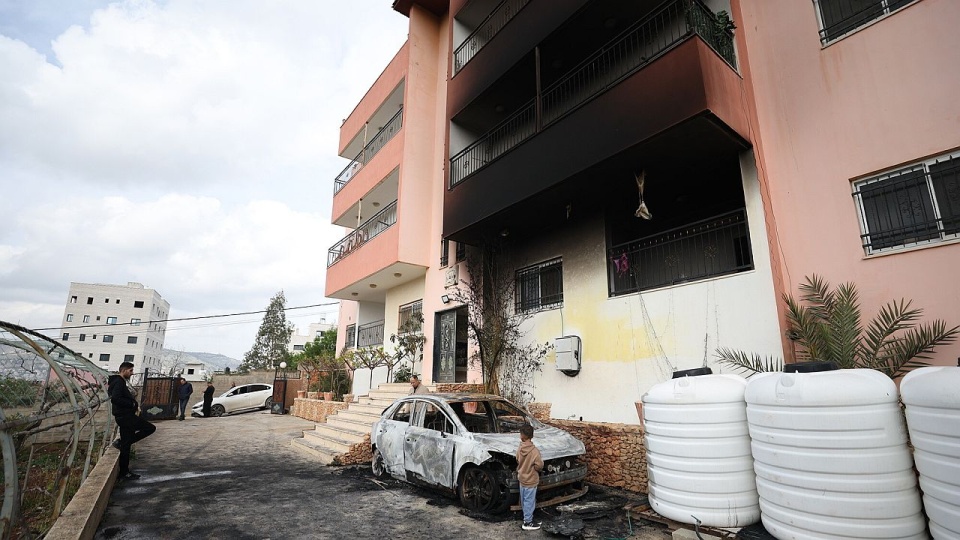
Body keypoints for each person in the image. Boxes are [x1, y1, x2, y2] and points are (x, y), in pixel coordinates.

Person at [108, 361, 156, 481]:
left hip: (123, 416)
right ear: (123, 370)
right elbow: (116, 398)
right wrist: (131, 403)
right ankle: (122, 445)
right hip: (125, 416)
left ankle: (124, 473)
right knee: (150, 428)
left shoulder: (119, 382)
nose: (132, 373)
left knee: (126, 445)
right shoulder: (119, 382)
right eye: (130, 371)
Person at [516, 423, 543, 531]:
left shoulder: (519, 448)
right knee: (530, 501)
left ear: (521, 435)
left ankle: (528, 518)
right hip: (531, 480)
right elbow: (539, 466)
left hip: (522, 478)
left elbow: (517, 460)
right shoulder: (534, 451)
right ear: (532, 435)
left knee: (524, 500)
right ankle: (528, 522)